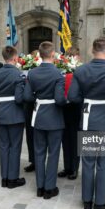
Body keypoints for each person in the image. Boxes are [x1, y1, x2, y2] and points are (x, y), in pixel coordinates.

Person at [68, 37, 105, 209]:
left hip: (88, 121)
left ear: (92, 51)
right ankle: (99, 203)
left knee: (87, 162)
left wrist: (88, 101)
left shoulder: (81, 70)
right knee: (103, 164)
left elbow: (72, 96)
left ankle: (86, 201)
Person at [24, 41, 66, 199]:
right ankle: (50, 188)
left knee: (39, 153)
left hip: (39, 116)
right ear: (53, 54)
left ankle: (40, 187)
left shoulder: (32, 73)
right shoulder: (58, 74)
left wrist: (38, 98)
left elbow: (27, 97)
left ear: (39, 55)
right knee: (53, 153)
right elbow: (59, 99)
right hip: (54, 118)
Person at [0, 46, 26, 189]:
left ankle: (4, 178)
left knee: (4, 146)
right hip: (15, 114)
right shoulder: (19, 74)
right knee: (15, 146)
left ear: (4, 57)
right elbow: (18, 98)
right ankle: (13, 179)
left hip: (1, 113)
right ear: (15, 58)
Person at [58, 46, 81, 180]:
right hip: (64, 108)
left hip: (76, 108)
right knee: (65, 140)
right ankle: (67, 167)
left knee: (75, 140)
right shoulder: (62, 70)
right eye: (69, 56)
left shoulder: (82, 70)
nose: (71, 58)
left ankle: (74, 169)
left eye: (74, 55)